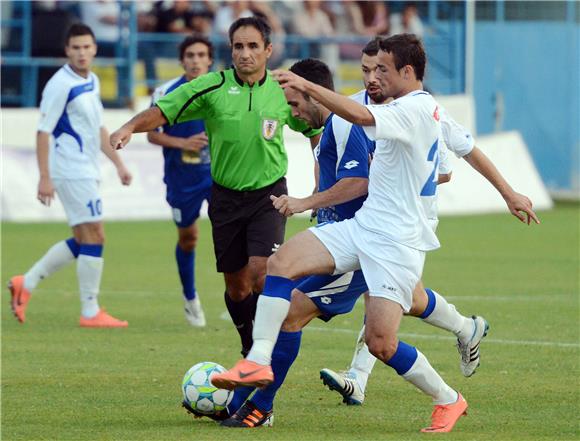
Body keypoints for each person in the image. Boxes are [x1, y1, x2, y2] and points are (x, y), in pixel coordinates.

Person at [212, 34, 539, 433]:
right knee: (282, 262)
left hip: (396, 244)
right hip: (363, 226)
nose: (373, 77)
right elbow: (468, 149)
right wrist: (510, 193)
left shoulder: (413, 110)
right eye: (369, 69)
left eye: (381, 69)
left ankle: (449, 398)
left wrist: (308, 86)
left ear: (406, 72)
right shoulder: (423, 108)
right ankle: (258, 361)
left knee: (381, 343)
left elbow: (364, 119)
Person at [110, 17, 320, 359]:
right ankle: (248, 341)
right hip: (224, 196)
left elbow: (313, 127)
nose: (245, 54)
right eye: (238, 46)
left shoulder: (283, 89)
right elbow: (164, 110)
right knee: (237, 288)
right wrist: (127, 127)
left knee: (261, 273)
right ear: (230, 50)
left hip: (269, 194)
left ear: (268, 50)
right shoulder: (212, 86)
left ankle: (263, 352)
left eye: (253, 46)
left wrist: (319, 178)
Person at [8, 23, 132, 328]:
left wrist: (118, 163)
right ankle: (90, 311)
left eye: (86, 47)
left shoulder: (91, 81)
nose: (81, 52)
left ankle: (27, 282)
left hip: (86, 169)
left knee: (83, 238)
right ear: (67, 51)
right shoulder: (59, 85)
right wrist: (44, 177)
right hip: (70, 170)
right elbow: (42, 131)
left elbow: (99, 128)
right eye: (75, 47)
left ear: (94, 49)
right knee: (96, 236)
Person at [147, 35, 214, 327]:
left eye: (201, 54)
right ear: (182, 60)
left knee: (232, 236)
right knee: (189, 238)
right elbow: (151, 133)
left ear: (209, 60)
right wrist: (183, 142)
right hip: (182, 178)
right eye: (190, 55)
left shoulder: (223, 87)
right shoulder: (165, 91)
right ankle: (190, 298)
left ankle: (242, 295)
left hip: (219, 176)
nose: (196, 60)